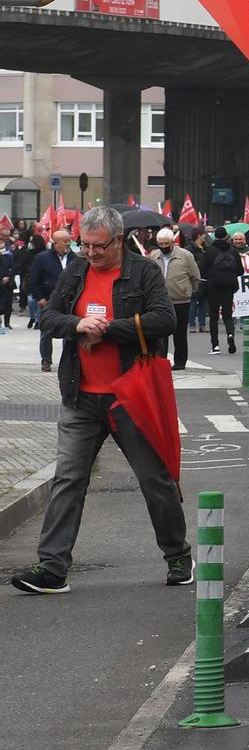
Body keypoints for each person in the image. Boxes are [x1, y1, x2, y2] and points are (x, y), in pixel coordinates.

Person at [11, 206, 190, 595]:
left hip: (131, 396)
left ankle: (177, 554)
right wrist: (77, 324)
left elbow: (165, 320)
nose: (90, 253)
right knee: (68, 480)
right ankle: (52, 568)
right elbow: (49, 318)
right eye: (84, 245)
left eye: (98, 247)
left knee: (154, 480)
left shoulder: (142, 272)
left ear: (120, 240)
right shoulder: (75, 271)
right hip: (80, 396)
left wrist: (108, 330)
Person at [27, 228, 79, 373]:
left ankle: (67, 361)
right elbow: (33, 280)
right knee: (46, 332)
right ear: (55, 243)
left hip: (70, 301)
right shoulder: (42, 258)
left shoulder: (76, 259)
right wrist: (39, 298)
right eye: (65, 241)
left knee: (69, 331)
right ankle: (46, 360)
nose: (69, 243)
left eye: (70, 240)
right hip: (48, 300)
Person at [152, 228, 201, 370]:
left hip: (181, 300)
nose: (163, 247)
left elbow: (195, 276)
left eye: (166, 244)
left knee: (179, 332)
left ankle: (180, 362)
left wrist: (188, 291)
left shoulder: (185, 255)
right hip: (160, 300)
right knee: (161, 332)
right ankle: (162, 360)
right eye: (160, 244)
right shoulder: (154, 256)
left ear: (172, 242)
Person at [204, 229, 243, 356]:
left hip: (213, 287)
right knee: (227, 315)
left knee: (214, 317)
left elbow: (202, 269)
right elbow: (240, 271)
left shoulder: (209, 251)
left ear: (215, 236)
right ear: (227, 236)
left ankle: (215, 346)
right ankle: (230, 334)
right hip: (229, 287)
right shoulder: (233, 251)